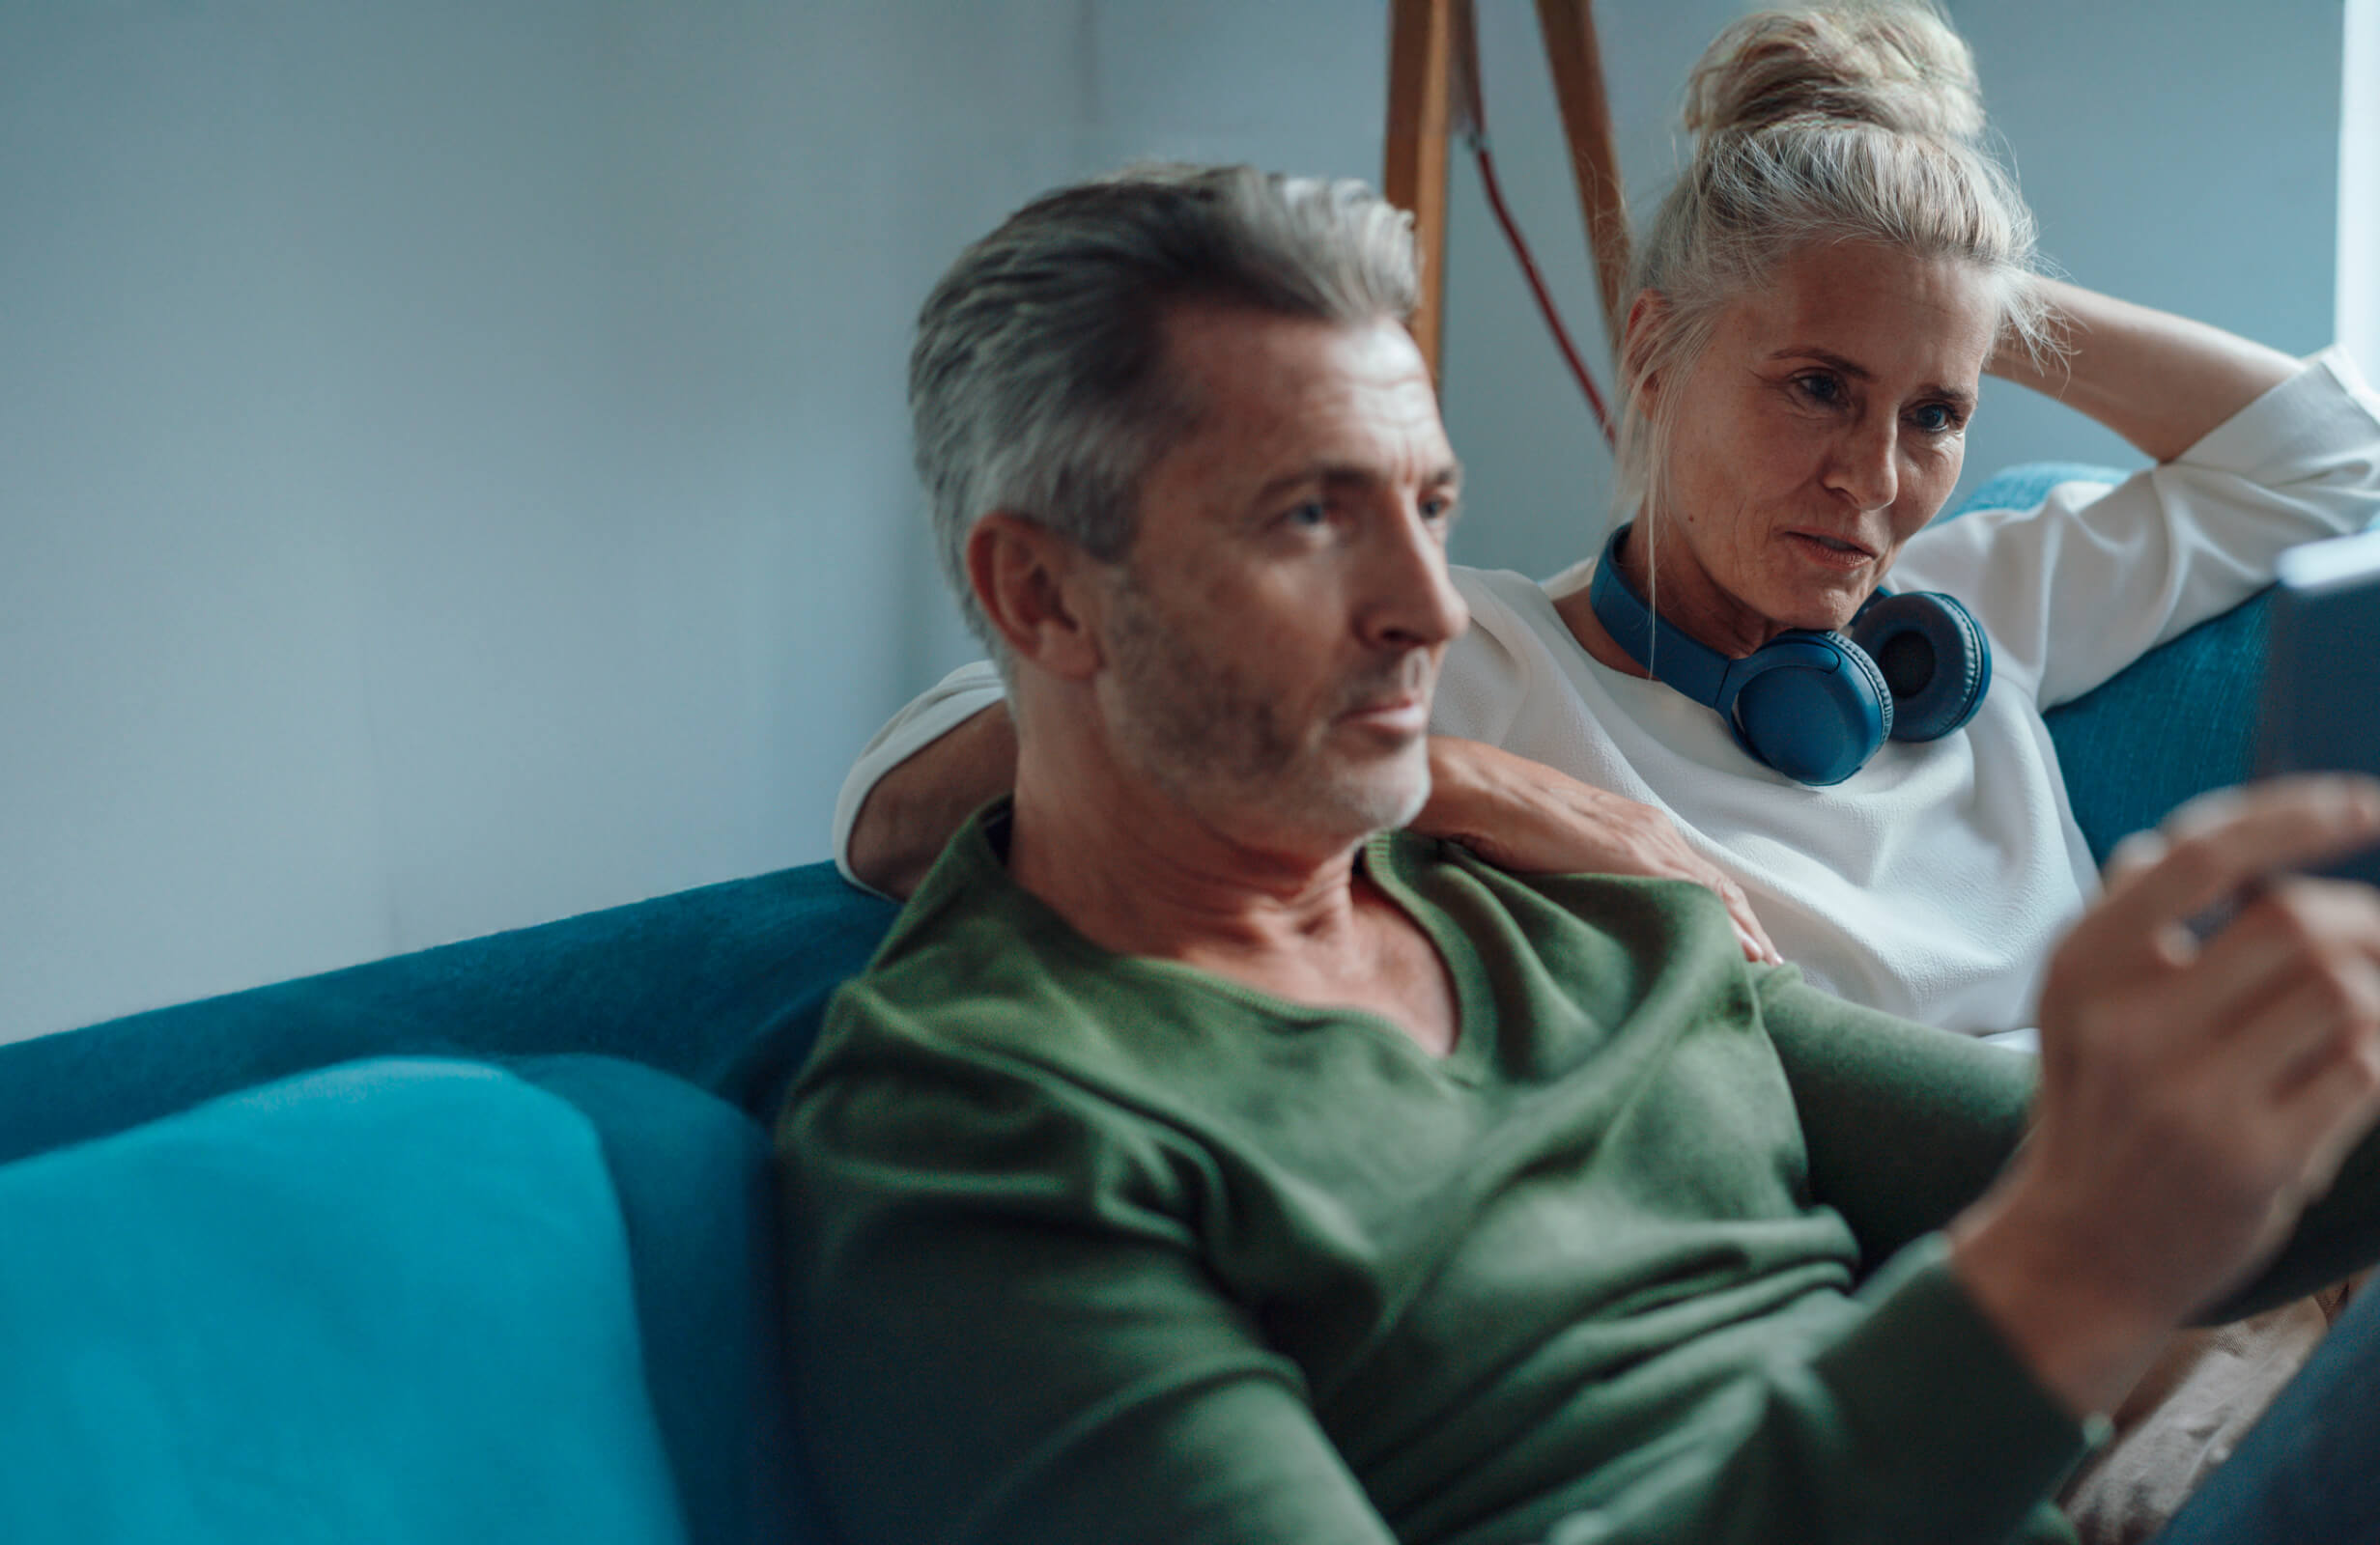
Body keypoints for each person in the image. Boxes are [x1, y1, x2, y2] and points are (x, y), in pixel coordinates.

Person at [777, 160, 2380, 1545]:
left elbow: (2096, 1164)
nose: (1427, 608)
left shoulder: (1568, 914)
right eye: (1310, 520)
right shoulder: (988, 1127)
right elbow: (2077, 1226)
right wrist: (2064, 1277)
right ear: (1042, 596)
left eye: (1430, 508)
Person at [829, 2, 2380, 1047]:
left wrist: (1937, 273)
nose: (1872, 478)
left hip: (2183, 1211)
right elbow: (893, 807)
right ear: (1656, 350)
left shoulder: (1975, 608)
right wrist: (1471, 780)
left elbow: (2334, 460)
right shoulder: (1483, 661)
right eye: (1818, 386)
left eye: (1935, 414)